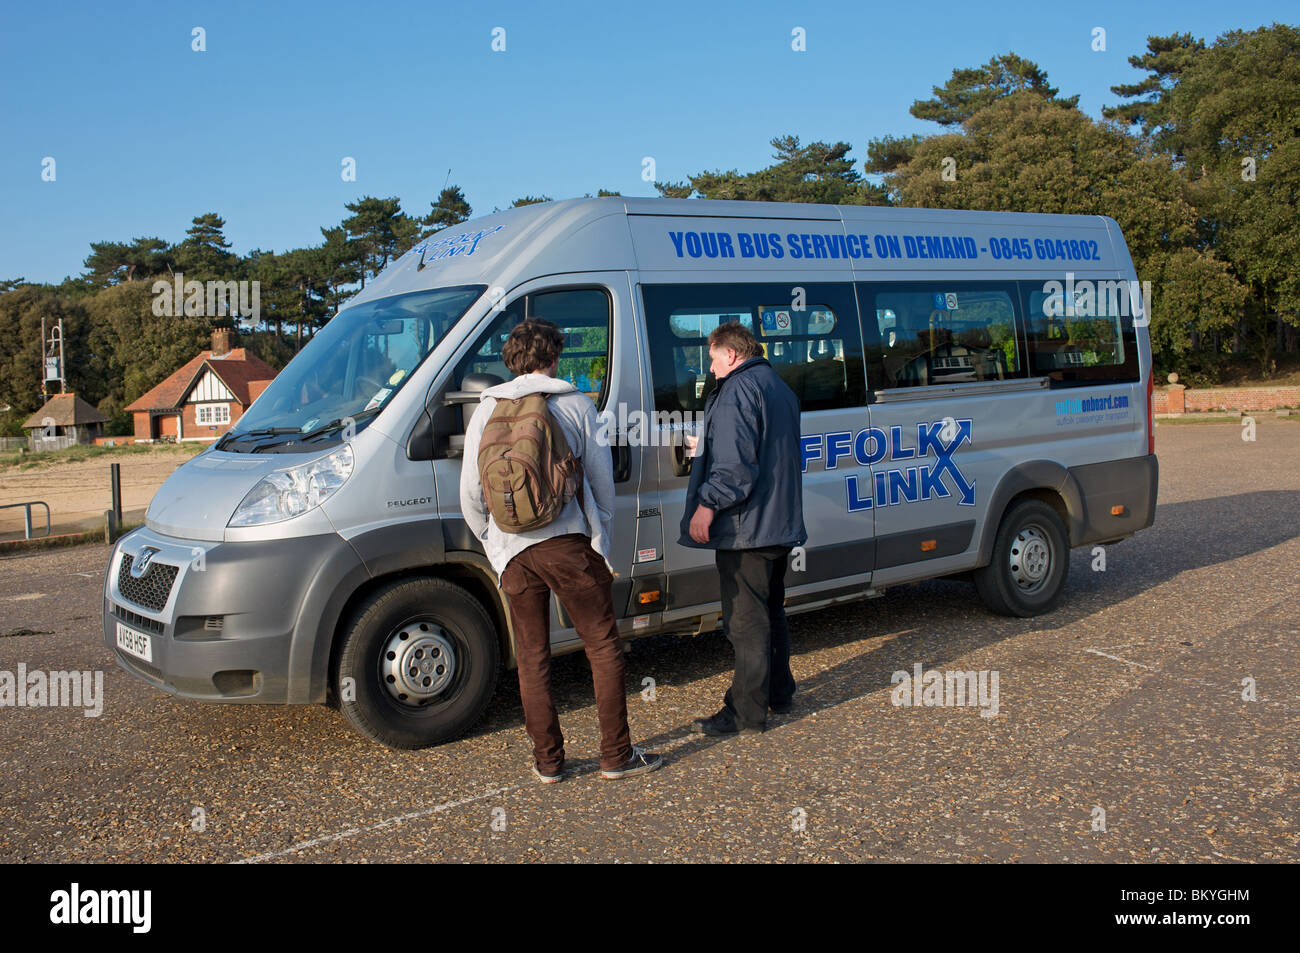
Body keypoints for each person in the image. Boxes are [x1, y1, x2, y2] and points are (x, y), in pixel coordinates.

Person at [460, 318, 663, 782]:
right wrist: (599, 542)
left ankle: (549, 763)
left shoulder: (486, 408)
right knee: (602, 646)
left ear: (512, 359)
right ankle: (616, 756)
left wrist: (496, 547)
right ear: (553, 357)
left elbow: (471, 494)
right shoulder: (574, 403)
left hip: (512, 551)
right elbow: (600, 483)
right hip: (568, 543)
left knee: (532, 656)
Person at [682, 322, 807, 736]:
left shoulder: (736, 390)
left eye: (714, 359)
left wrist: (705, 505)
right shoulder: (777, 386)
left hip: (745, 526)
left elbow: (735, 469)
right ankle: (779, 693)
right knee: (771, 611)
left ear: (731, 355)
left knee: (746, 622)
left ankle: (745, 713)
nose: (712, 369)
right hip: (777, 523)